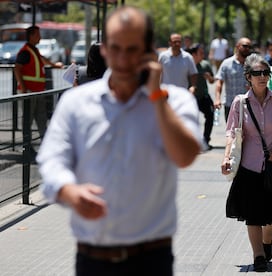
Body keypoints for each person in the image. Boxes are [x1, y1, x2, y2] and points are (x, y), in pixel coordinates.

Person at [37, 6, 202, 276]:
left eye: (132, 49)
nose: (123, 59)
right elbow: (52, 159)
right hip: (92, 259)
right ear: (104, 49)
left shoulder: (175, 101)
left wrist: (156, 97)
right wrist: (70, 192)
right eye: (115, 48)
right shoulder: (76, 103)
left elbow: (184, 156)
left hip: (151, 260)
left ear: (149, 51)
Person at [221, 53, 272, 272]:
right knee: (253, 216)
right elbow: (232, 133)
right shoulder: (239, 103)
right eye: (257, 73)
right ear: (248, 77)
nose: (262, 77)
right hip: (248, 167)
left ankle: (267, 241)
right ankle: (258, 255)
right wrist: (226, 158)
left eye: (265, 73)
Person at [14, 25, 63, 141]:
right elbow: (17, 68)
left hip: (37, 91)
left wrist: (54, 65)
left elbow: (42, 59)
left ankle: (45, 145)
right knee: (28, 120)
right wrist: (24, 88)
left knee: (41, 118)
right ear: (31, 36)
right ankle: (27, 147)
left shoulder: (33, 50)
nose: (40, 37)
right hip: (29, 91)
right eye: (37, 34)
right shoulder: (25, 51)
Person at [214, 37, 252, 121]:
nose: (247, 49)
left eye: (249, 47)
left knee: (248, 133)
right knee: (231, 133)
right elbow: (219, 82)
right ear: (237, 46)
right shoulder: (227, 63)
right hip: (230, 105)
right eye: (245, 46)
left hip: (248, 105)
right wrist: (217, 99)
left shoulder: (252, 64)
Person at [186, 43, 215, 150]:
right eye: (200, 53)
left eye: (203, 53)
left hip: (204, 96)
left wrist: (209, 78)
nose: (203, 55)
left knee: (211, 115)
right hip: (191, 98)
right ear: (194, 54)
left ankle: (206, 140)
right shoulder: (187, 64)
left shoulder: (205, 65)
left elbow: (212, 81)